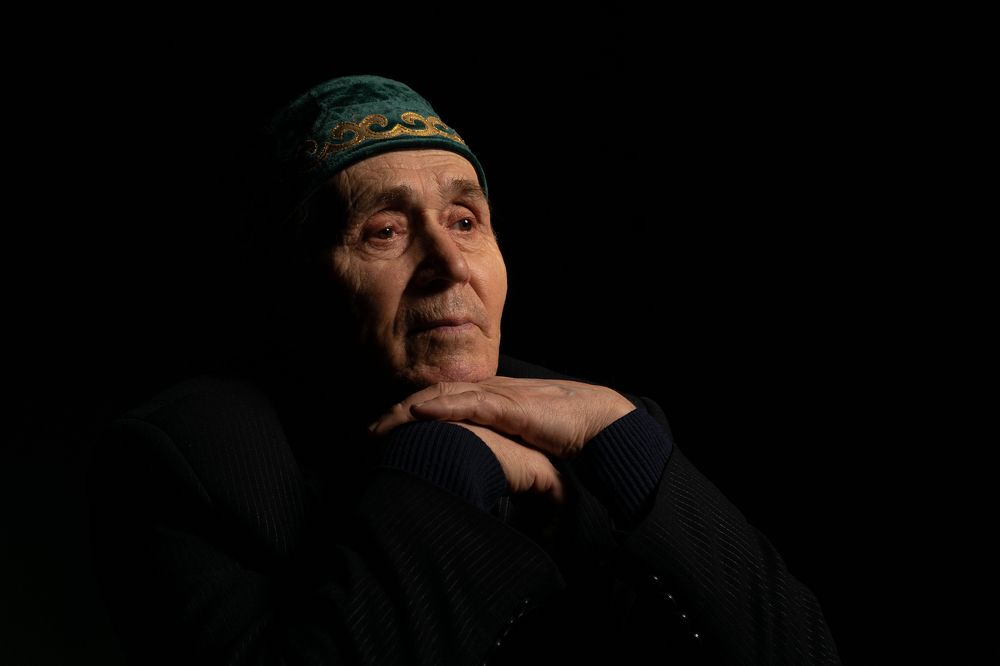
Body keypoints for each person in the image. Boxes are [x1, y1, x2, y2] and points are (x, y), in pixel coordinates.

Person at [89, 74, 840, 665]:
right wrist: (446, 462)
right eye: (384, 230)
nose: (449, 264)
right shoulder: (184, 461)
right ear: (297, 287)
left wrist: (627, 441)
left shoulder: (599, 427)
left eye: (465, 221)